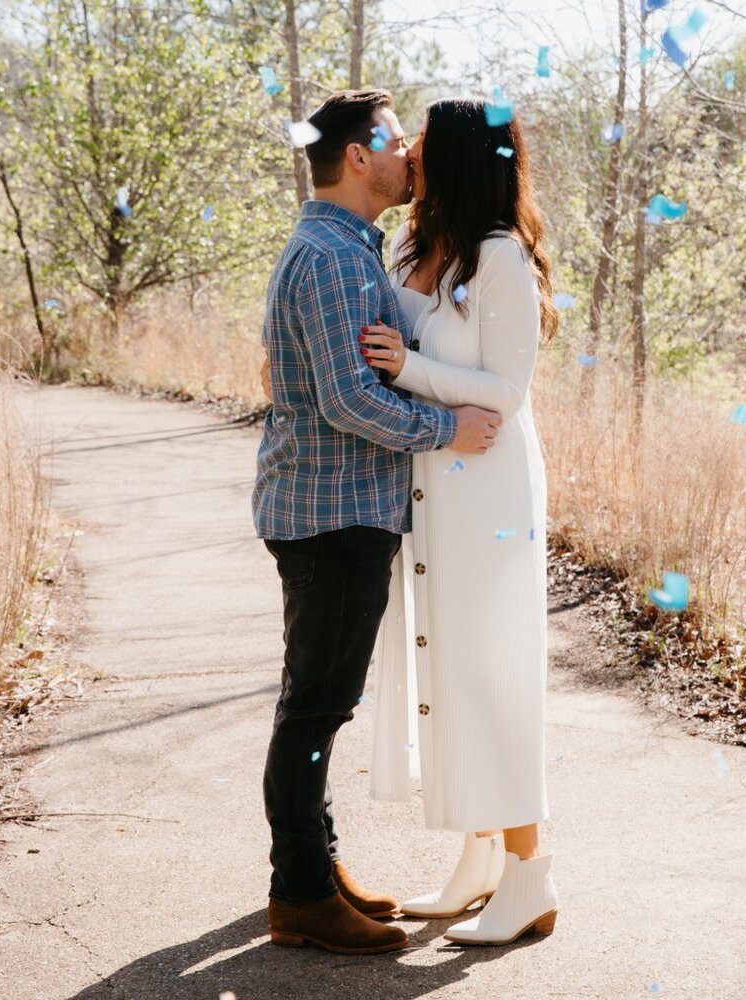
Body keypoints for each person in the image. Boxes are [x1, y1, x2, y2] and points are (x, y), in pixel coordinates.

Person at [253, 88, 503, 956]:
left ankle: (314, 872)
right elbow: (349, 397)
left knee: (317, 703)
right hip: (332, 514)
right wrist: (451, 427)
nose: (408, 155)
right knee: (316, 709)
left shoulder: (349, 248)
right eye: (396, 141)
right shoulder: (329, 256)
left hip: (340, 507)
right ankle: (302, 898)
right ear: (357, 156)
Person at [360, 97, 560, 946]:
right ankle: (480, 860)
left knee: (493, 672)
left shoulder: (499, 257)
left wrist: (410, 368)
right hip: (433, 479)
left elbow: (507, 394)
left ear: (463, 159)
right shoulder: (416, 245)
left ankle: (531, 877)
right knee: (451, 667)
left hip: (489, 490)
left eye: (424, 143)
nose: (407, 153)